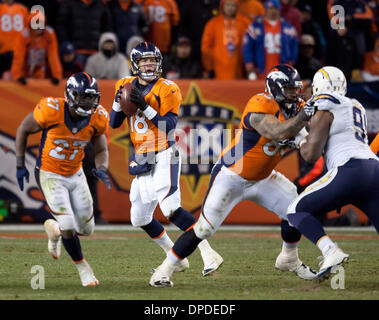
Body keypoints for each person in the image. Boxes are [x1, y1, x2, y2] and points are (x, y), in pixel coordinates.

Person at [150, 64, 316, 287]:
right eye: (289, 90)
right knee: (203, 229)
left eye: (297, 90)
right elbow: (278, 132)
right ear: (275, 89)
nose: (295, 95)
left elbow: (305, 136)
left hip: (264, 177)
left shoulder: (297, 108)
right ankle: (164, 271)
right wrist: (303, 121)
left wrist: (307, 135)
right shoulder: (259, 104)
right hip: (232, 175)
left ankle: (289, 259)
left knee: (295, 209)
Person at [109, 42, 223, 276]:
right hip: (142, 155)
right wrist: (119, 100)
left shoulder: (167, 88)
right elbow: (113, 123)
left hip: (163, 152)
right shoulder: (124, 85)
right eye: (143, 61)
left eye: (152, 60)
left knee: (171, 208)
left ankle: (208, 253)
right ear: (135, 64)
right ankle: (177, 258)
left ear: (159, 62)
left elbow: (169, 127)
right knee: (139, 217)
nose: (148, 64)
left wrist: (144, 106)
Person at [15, 72, 111, 287]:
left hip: (75, 173)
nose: (87, 102)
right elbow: (23, 129)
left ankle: (54, 229)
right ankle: (83, 269)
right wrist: (20, 165)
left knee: (87, 230)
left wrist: (102, 167)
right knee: (68, 224)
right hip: (50, 173)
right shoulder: (51, 110)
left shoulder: (97, 117)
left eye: (91, 97)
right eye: (82, 97)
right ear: (69, 95)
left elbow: (101, 148)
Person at [286, 66, 379, 281]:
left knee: (294, 210)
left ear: (319, 86)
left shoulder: (325, 104)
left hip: (351, 170)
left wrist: (299, 139)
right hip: (373, 169)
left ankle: (330, 251)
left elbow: (310, 154)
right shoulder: (355, 105)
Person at [242, 0, 299, 80]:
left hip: (282, 69)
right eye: (270, 8)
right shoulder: (255, 26)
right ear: (266, 10)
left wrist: (291, 61)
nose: (273, 11)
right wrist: (249, 63)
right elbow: (248, 47)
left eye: (275, 8)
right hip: (261, 69)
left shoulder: (288, 27)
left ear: (279, 10)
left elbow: (294, 46)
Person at [201, 0, 250, 79]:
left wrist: (248, 64)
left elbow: (250, 45)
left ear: (237, 7)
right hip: (218, 67)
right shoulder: (213, 23)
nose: (230, 8)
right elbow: (206, 47)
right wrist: (209, 67)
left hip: (239, 66)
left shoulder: (244, 22)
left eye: (233, 5)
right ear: (222, 6)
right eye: (227, 5)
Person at [56, 0, 113, 67]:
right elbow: (61, 26)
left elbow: (108, 28)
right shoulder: (69, 4)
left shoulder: (101, 5)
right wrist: (67, 47)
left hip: (96, 53)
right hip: (76, 54)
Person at [11, 11, 62, 85]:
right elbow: (18, 56)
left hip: (39, 70)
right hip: (24, 69)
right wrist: (18, 76)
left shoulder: (49, 35)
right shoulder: (24, 35)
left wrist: (57, 75)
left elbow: (53, 56)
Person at [0, 0, 29, 79]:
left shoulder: (22, 8)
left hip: (19, 51)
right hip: (4, 50)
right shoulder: (22, 8)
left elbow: (28, 30)